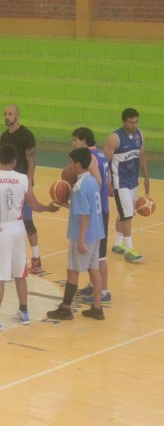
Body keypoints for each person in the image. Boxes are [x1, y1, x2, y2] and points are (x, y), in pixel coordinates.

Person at [0, 145, 58, 331]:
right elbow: (35, 205)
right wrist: (48, 207)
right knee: (20, 273)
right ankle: (24, 313)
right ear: (15, 161)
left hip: (0, 230)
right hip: (18, 228)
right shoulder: (23, 179)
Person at [47, 147, 106, 321]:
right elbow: (83, 209)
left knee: (72, 270)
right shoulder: (93, 181)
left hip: (84, 236)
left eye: (72, 162)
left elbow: (85, 215)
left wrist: (80, 240)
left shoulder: (79, 187)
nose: (70, 166)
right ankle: (97, 307)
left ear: (78, 164)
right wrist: (64, 204)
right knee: (94, 269)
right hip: (97, 233)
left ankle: (65, 308)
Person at [71, 128, 113, 305]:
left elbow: (99, 182)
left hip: (97, 211)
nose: (74, 143)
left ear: (84, 140)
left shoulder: (89, 157)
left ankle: (104, 291)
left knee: (99, 256)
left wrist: (84, 193)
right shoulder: (102, 155)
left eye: (75, 140)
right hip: (102, 207)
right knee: (94, 255)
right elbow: (109, 183)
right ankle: (94, 286)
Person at [103, 108, 150, 263]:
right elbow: (104, 163)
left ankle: (117, 244)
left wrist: (146, 178)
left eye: (136, 121)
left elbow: (142, 156)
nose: (134, 125)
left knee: (123, 213)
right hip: (119, 182)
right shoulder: (115, 139)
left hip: (132, 181)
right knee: (127, 214)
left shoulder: (139, 135)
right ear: (123, 122)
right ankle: (129, 249)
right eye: (131, 122)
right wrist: (108, 183)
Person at [1, 105, 43, 273]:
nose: (7, 117)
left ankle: (36, 258)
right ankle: (12, 258)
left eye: (10, 114)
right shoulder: (4, 136)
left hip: (22, 184)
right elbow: (3, 161)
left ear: (17, 115)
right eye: (5, 114)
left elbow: (31, 160)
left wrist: (29, 184)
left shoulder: (26, 135)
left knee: (27, 221)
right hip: (8, 184)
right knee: (9, 222)